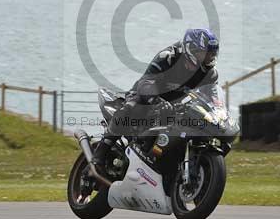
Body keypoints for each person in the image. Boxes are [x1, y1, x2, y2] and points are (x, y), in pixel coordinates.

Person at [93, 28, 220, 167]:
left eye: (211, 54)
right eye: (205, 54)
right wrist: (157, 101)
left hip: (177, 106)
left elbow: (212, 98)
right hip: (147, 96)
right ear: (191, 49)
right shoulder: (169, 57)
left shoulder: (210, 74)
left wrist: (218, 113)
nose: (209, 58)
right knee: (131, 107)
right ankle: (100, 153)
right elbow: (146, 83)